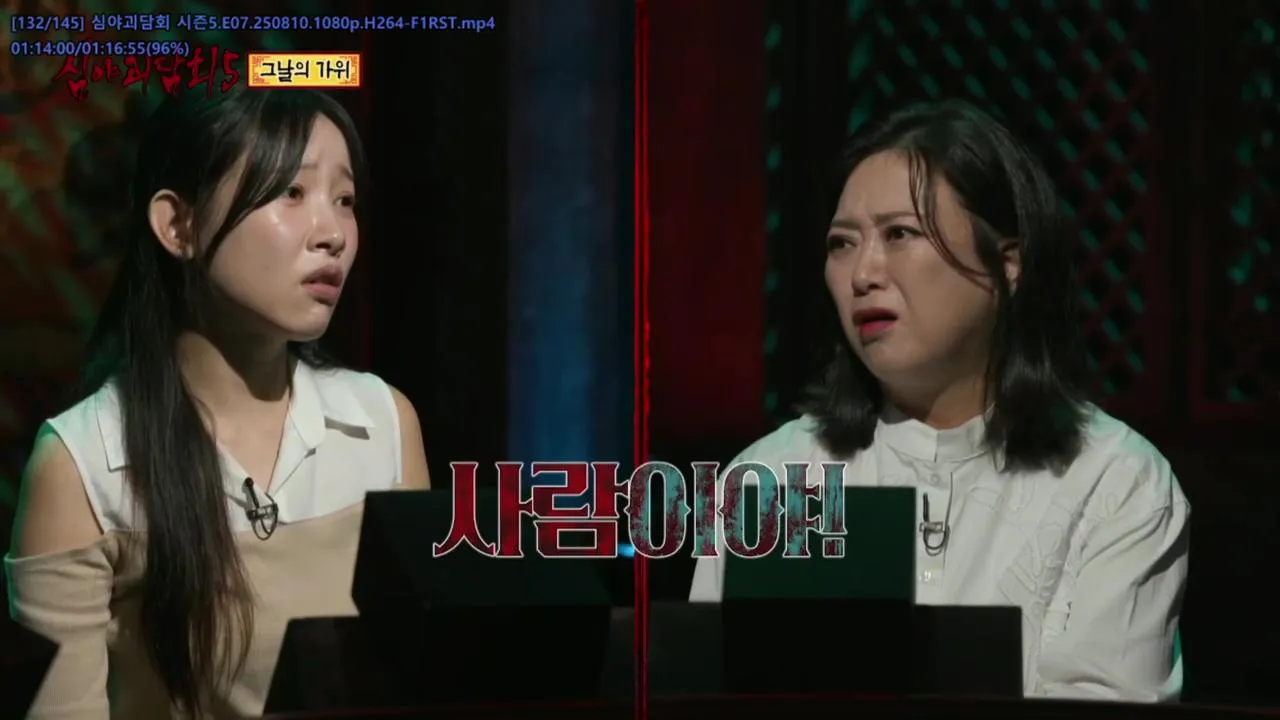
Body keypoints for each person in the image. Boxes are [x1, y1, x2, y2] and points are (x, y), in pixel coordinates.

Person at [689, 100, 1188, 702]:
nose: (863, 274)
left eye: (899, 234)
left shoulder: (1114, 481)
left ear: (1007, 264)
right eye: (842, 243)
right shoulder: (771, 479)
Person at [5, 88, 430, 719]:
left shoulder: (383, 424)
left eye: (344, 200)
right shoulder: (82, 463)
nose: (333, 234)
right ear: (178, 225)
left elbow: (421, 679)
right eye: (291, 191)